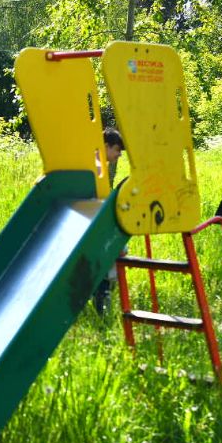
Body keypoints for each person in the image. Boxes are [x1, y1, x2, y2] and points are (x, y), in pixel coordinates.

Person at [92, 128, 125, 315]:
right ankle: (102, 296)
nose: (119, 155)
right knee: (115, 251)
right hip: (96, 224)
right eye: (117, 149)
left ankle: (101, 291)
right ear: (105, 146)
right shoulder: (98, 168)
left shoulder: (96, 165)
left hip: (94, 220)